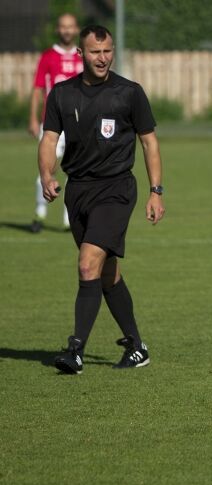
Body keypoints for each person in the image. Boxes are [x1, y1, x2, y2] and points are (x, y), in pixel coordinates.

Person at [39, 25, 165, 374]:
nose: (103, 58)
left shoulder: (129, 93)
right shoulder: (62, 95)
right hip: (78, 191)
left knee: (87, 264)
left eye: (107, 51)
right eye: (95, 52)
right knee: (106, 273)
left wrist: (156, 192)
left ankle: (75, 350)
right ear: (81, 54)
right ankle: (137, 346)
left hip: (115, 190)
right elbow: (49, 140)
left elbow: (149, 142)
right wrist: (47, 174)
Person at [28, 13, 82, 233]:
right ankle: (39, 214)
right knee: (46, 169)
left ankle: (69, 220)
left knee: (76, 171)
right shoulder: (48, 56)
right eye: (63, 27)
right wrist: (32, 118)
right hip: (52, 124)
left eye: (70, 27)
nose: (67, 30)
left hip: (80, 124)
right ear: (58, 30)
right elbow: (38, 88)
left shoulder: (84, 56)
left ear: (76, 29)